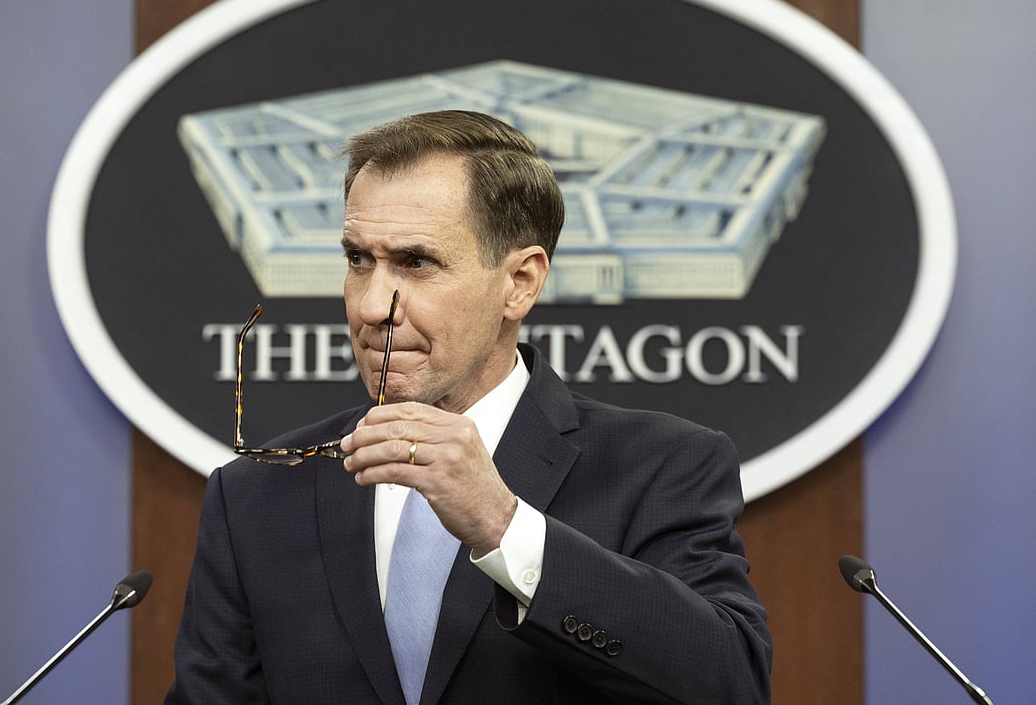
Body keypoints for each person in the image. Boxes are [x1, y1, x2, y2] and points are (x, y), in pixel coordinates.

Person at [164, 110, 771, 704]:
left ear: (521, 283)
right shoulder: (254, 498)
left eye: (416, 262)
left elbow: (729, 683)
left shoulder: (661, 465)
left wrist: (503, 524)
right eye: (357, 260)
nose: (373, 304)